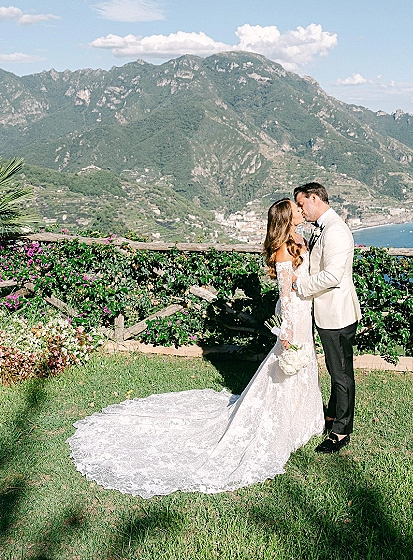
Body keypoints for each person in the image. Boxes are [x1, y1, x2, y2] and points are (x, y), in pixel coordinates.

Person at [67, 199, 323, 497]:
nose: (301, 211)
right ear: (286, 216)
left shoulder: (300, 239)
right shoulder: (282, 249)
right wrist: (288, 329)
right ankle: (283, 426)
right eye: (296, 208)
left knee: (302, 368)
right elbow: (285, 294)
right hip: (295, 316)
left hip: (306, 312)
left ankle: (304, 420)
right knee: (286, 368)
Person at [293, 182, 361, 454]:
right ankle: (332, 416)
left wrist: (301, 286)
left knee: (342, 374)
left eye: (301, 204)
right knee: (336, 371)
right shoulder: (324, 229)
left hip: (338, 314)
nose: (301, 209)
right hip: (329, 313)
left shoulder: (335, 231)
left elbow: (333, 276)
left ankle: (341, 432)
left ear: (314, 198)